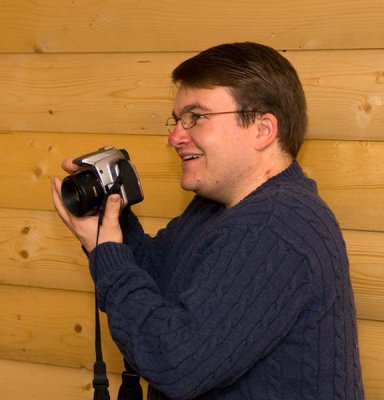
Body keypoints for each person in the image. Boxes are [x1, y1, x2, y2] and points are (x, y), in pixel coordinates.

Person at [51, 42, 365, 399]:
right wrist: (111, 216)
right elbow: (155, 285)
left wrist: (106, 254)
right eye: (177, 120)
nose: (174, 137)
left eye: (196, 117)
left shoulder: (276, 225)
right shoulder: (217, 208)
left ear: (263, 129)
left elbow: (175, 362)